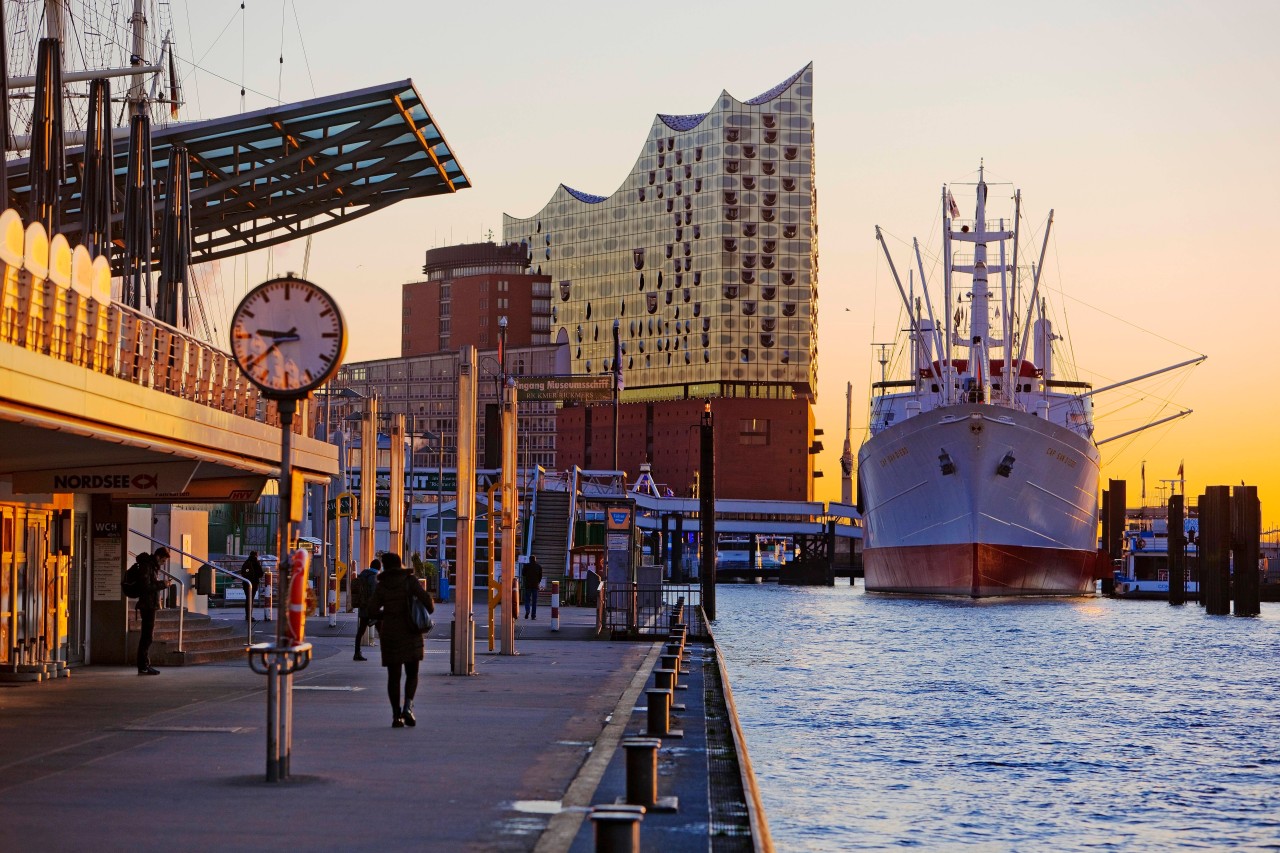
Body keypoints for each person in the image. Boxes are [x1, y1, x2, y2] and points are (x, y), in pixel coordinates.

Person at [368, 552, 434, 727]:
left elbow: (371, 610)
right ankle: (408, 707)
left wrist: (387, 614)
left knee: (393, 677)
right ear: (400, 564)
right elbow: (428, 603)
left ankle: (396, 716)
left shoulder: (382, 585)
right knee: (412, 674)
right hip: (411, 632)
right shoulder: (409, 581)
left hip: (390, 634)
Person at [135, 551, 166, 675]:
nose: (163, 564)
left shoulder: (150, 565)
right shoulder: (147, 566)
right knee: (147, 636)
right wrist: (163, 584)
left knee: (147, 636)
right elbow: (146, 586)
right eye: (163, 560)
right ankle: (143, 665)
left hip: (149, 604)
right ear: (158, 557)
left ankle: (144, 665)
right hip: (147, 605)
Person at [353, 557, 381, 661]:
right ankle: (388, 654)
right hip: (372, 609)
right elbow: (374, 595)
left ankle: (356, 652)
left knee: (361, 631)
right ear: (379, 567)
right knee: (382, 630)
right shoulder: (373, 577)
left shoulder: (363, 575)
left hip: (363, 607)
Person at [241, 551, 264, 623]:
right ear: (256, 555)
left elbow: (242, 572)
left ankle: (247, 615)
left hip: (246, 583)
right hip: (253, 583)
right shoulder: (256, 562)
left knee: (248, 599)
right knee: (251, 600)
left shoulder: (246, 562)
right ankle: (249, 616)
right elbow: (261, 573)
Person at [523, 555, 543, 620]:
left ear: (529, 559)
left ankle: (527, 610)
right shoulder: (539, 567)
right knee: (534, 602)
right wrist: (538, 582)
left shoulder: (526, 566)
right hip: (535, 586)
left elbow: (523, 574)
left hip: (528, 586)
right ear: (535, 559)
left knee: (527, 600)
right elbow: (540, 576)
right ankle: (533, 616)